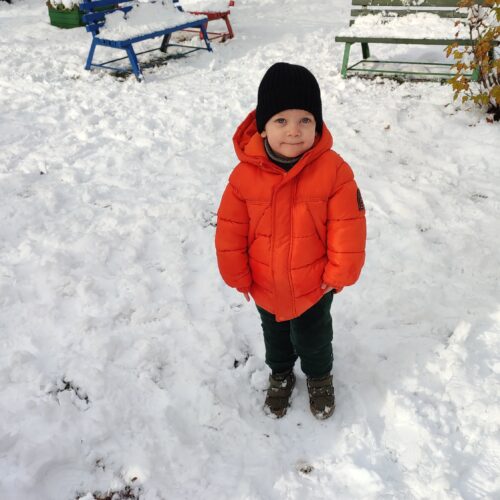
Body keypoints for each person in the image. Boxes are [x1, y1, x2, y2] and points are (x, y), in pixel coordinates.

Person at [215, 62, 366, 419]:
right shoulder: (244, 177)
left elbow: (348, 226)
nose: (294, 131)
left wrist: (339, 273)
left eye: (305, 120)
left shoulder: (334, 172)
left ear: (317, 125)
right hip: (265, 282)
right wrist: (237, 274)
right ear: (263, 127)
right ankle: (280, 374)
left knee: (315, 338)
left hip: (314, 285)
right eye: (281, 120)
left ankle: (319, 377)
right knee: (276, 337)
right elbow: (231, 230)